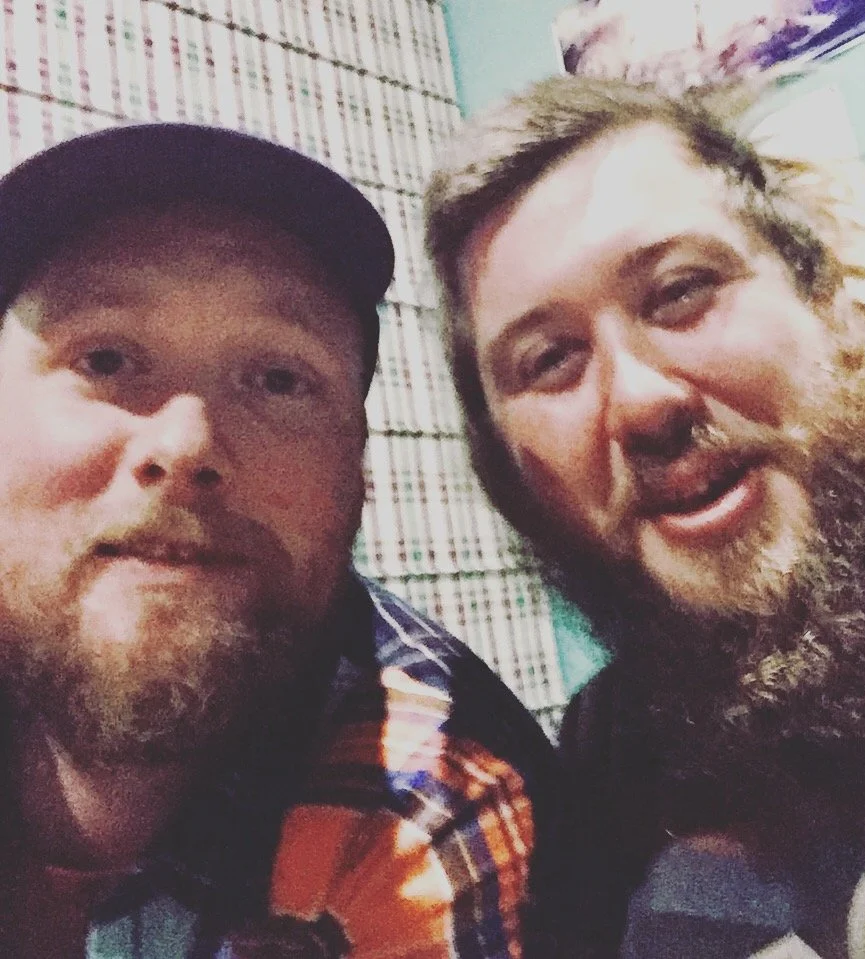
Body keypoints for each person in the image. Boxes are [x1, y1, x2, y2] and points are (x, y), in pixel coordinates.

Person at [424, 74, 865, 957]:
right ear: (513, 473)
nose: (639, 400)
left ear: (821, 294)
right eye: (551, 358)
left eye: (679, 290)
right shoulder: (600, 787)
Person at [0, 122, 558, 958]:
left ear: (359, 472)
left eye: (277, 379)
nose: (186, 444)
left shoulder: (432, 798)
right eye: (107, 358)